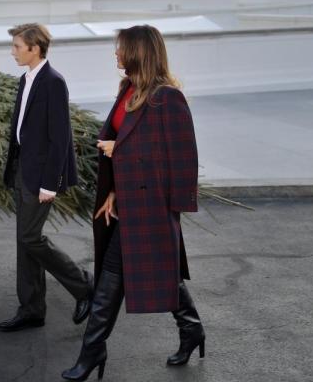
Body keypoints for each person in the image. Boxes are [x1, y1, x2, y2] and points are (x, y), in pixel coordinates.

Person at [61, 24, 205, 381]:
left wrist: (118, 150)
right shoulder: (129, 90)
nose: (115, 53)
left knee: (115, 279)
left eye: (120, 47)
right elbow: (126, 138)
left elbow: (179, 154)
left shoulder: (167, 97)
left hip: (151, 207)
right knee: (148, 272)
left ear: (139, 51)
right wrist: (114, 191)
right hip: (127, 203)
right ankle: (191, 329)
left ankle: (92, 353)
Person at [0, 23, 93, 333]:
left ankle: (83, 286)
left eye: (16, 47)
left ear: (34, 48)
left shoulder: (53, 82)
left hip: (41, 175)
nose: (12, 52)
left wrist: (50, 184)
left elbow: (60, 137)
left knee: (29, 237)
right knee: (23, 241)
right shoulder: (25, 80)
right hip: (23, 169)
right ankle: (32, 309)